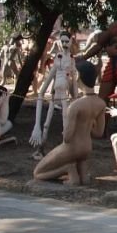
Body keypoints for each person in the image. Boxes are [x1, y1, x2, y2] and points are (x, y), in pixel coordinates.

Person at [33, 60, 107, 185]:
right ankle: (82, 176)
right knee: (82, 171)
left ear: (78, 77)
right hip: (86, 147)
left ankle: (67, 169)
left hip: (72, 147)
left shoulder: (75, 106)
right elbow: (99, 133)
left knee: (38, 173)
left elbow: (67, 137)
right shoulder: (101, 103)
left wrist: (68, 128)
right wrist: (88, 123)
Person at [29, 31, 78, 160]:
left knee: (65, 122)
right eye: (62, 42)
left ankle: (65, 152)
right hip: (55, 94)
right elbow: (41, 92)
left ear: (71, 41)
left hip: (64, 96)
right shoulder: (58, 59)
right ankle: (40, 149)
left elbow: (74, 82)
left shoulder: (72, 61)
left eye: (67, 41)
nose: (65, 44)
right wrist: (36, 125)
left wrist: (76, 99)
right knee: (46, 123)